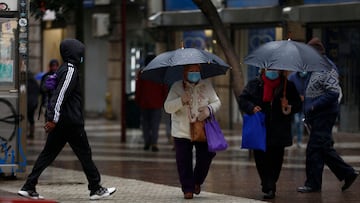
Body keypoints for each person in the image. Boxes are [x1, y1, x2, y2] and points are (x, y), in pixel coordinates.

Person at [18, 39, 116, 200]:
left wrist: (54, 118)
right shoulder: (70, 70)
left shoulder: (63, 69)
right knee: (85, 154)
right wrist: (52, 118)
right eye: (80, 52)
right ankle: (96, 188)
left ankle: (28, 186)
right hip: (70, 123)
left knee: (47, 154)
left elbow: (53, 91)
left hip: (63, 122)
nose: (82, 56)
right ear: (74, 53)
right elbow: (60, 95)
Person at [297, 37, 358, 193]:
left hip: (324, 114)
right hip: (317, 114)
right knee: (322, 148)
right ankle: (346, 173)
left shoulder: (326, 67)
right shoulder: (315, 67)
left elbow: (333, 92)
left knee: (314, 149)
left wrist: (314, 106)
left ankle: (314, 183)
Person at [238, 69, 302, 199]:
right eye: (269, 68)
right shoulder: (255, 84)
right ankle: (268, 185)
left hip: (279, 129)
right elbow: (243, 99)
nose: (272, 71)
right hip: (260, 128)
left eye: (275, 68)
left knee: (276, 159)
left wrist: (288, 105)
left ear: (280, 70)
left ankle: (271, 183)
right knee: (261, 159)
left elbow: (298, 104)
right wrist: (251, 107)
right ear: (264, 69)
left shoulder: (287, 86)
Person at [164, 64, 221, 199]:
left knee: (207, 155)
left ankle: (197, 181)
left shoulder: (206, 85)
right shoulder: (177, 87)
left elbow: (217, 102)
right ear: (185, 72)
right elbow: (167, 107)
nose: (195, 73)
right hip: (182, 130)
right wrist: (181, 101)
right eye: (191, 71)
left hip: (202, 129)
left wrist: (208, 109)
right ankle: (187, 188)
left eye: (197, 71)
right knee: (183, 161)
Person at [135, 54, 168, 152]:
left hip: (144, 102)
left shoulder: (142, 73)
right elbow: (164, 88)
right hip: (157, 103)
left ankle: (146, 142)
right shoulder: (159, 73)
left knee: (145, 123)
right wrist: (163, 99)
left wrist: (138, 100)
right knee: (155, 124)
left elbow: (138, 88)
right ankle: (154, 143)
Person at [288, 71, 308, 147]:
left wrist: (305, 96)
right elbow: (289, 90)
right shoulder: (293, 77)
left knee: (301, 123)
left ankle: (299, 141)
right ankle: (292, 139)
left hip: (304, 106)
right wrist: (297, 96)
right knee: (295, 123)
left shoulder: (308, 77)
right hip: (295, 106)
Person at [26, 71, 40, 138]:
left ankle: (29, 133)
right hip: (34, 103)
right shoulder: (35, 83)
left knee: (28, 118)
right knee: (31, 118)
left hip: (28, 103)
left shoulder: (27, 83)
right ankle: (32, 133)